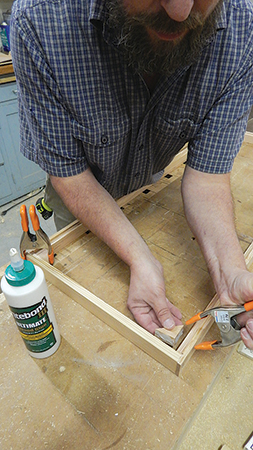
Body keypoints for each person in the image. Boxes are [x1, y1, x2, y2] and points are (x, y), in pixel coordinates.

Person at [11, 0, 253, 348]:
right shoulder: (41, 21)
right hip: (77, 192)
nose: (181, 12)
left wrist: (230, 273)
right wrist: (141, 259)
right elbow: (70, 175)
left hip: (147, 187)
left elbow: (207, 177)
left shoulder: (243, 30)